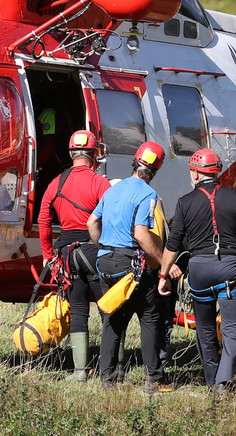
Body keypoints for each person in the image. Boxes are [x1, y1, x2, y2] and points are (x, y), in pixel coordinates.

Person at [158, 148, 236, 395]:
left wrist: (163, 275)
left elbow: (173, 244)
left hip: (199, 270)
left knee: (204, 329)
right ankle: (224, 381)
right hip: (230, 269)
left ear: (194, 173)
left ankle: (212, 382)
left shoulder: (184, 203)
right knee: (231, 331)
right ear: (217, 172)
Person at [87, 141, 172, 393]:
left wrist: (103, 246)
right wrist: (159, 262)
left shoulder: (112, 189)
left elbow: (92, 222)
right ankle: (155, 379)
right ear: (156, 170)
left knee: (113, 319)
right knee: (149, 318)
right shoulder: (148, 194)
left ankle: (107, 380)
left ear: (134, 162)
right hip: (131, 265)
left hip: (105, 261)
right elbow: (142, 234)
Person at [37, 130, 112, 382]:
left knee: (79, 310)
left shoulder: (56, 183)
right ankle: (110, 369)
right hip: (93, 250)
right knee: (108, 309)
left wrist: (47, 254)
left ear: (71, 154)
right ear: (94, 154)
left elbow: (44, 218)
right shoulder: (100, 183)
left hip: (66, 254)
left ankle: (79, 371)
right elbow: (110, 217)